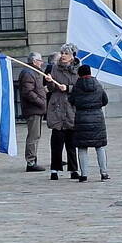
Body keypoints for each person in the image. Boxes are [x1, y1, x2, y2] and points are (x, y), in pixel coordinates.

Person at [69, 64, 110, 182]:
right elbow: (105, 100)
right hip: (97, 118)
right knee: (100, 147)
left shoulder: (77, 86)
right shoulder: (98, 85)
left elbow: (71, 100)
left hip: (81, 118)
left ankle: (84, 175)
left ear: (79, 74)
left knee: (82, 148)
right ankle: (104, 173)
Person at [46, 44, 80, 181]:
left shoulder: (78, 70)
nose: (63, 56)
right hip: (57, 108)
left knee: (71, 143)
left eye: (66, 53)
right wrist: (50, 82)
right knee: (56, 142)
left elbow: (80, 88)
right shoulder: (55, 68)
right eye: (62, 53)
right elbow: (51, 88)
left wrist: (68, 88)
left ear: (72, 56)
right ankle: (54, 170)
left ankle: (73, 169)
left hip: (71, 108)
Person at [19, 51, 48, 172]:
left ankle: (33, 160)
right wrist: (40, 101)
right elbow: (28, 92)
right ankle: (31, 162)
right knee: (33, 136)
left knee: (36, 135)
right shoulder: (29, 73)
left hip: (36, 108)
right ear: (34, 61)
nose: (42, 63)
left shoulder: (35, 72)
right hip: (33, 108)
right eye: (40, 60)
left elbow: (36, 89)